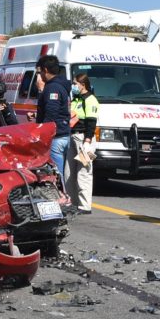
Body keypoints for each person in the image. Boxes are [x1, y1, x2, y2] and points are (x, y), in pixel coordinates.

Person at [34, 54, 72, 183]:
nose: (39, 76)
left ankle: (63, 199)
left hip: (56, 137)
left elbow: (51, 113)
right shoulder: (61, 85)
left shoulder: (52, 87)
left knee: (57, 173)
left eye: (39, 72)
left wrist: (43, 134)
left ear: (45, 70)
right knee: (64, 172)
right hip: (64, 133)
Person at [68, 73, 100, 214]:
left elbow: (91, 122)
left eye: (76, 83)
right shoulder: (76, 99)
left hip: (84, 138)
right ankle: (72, 202)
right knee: (69, 171)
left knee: (84, 171)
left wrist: (88, 140)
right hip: (72, 136)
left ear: (83, 85)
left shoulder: (90, 99)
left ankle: (84, 205)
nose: (74, 86)